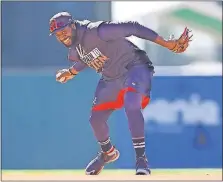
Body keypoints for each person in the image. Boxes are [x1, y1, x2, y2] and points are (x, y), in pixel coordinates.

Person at [49, 11, 192, 175]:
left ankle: (141, 159)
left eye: (64, 31)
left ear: (73, 25)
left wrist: (166, 43)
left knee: (131, 103)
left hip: (135, 66)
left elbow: (133, 27)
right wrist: (72, 71)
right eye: (57, 34)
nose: (61, 36)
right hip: (111, 77)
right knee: (95, 119)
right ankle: (108, 153)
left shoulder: (97, 30)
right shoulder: (75, 47)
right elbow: (88, 57)